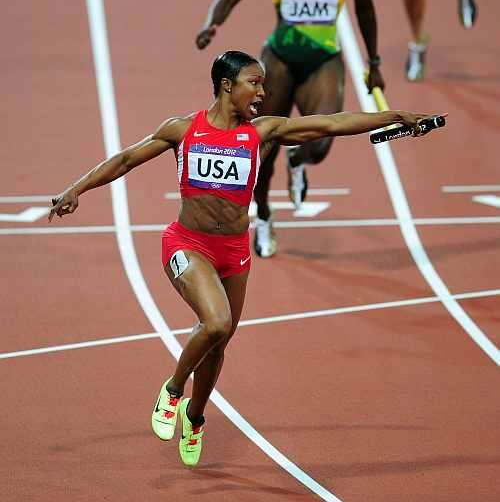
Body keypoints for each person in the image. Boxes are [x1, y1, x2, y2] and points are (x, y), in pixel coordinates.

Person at [48, 50, 431, 467]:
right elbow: (124, 159)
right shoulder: (182, 129)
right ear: (227, 85)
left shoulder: (262, 132)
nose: (263, 93)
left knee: (219, 344)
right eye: (255, 82)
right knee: (216, 322)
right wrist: (76, 188)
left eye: (263, 84)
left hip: (233, 252)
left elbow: (332, 123)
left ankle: (195, 416)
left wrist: (393, 116)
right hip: (186, 245)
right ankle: (174, 391)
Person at [196, 0, 385, 258]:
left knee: (320, 143)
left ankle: (298, 160)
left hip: (324, 60)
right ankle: (263, 214)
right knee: (263, 145)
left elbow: (366, 9)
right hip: (279, 59)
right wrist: (213, 22)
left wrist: (374, 61)